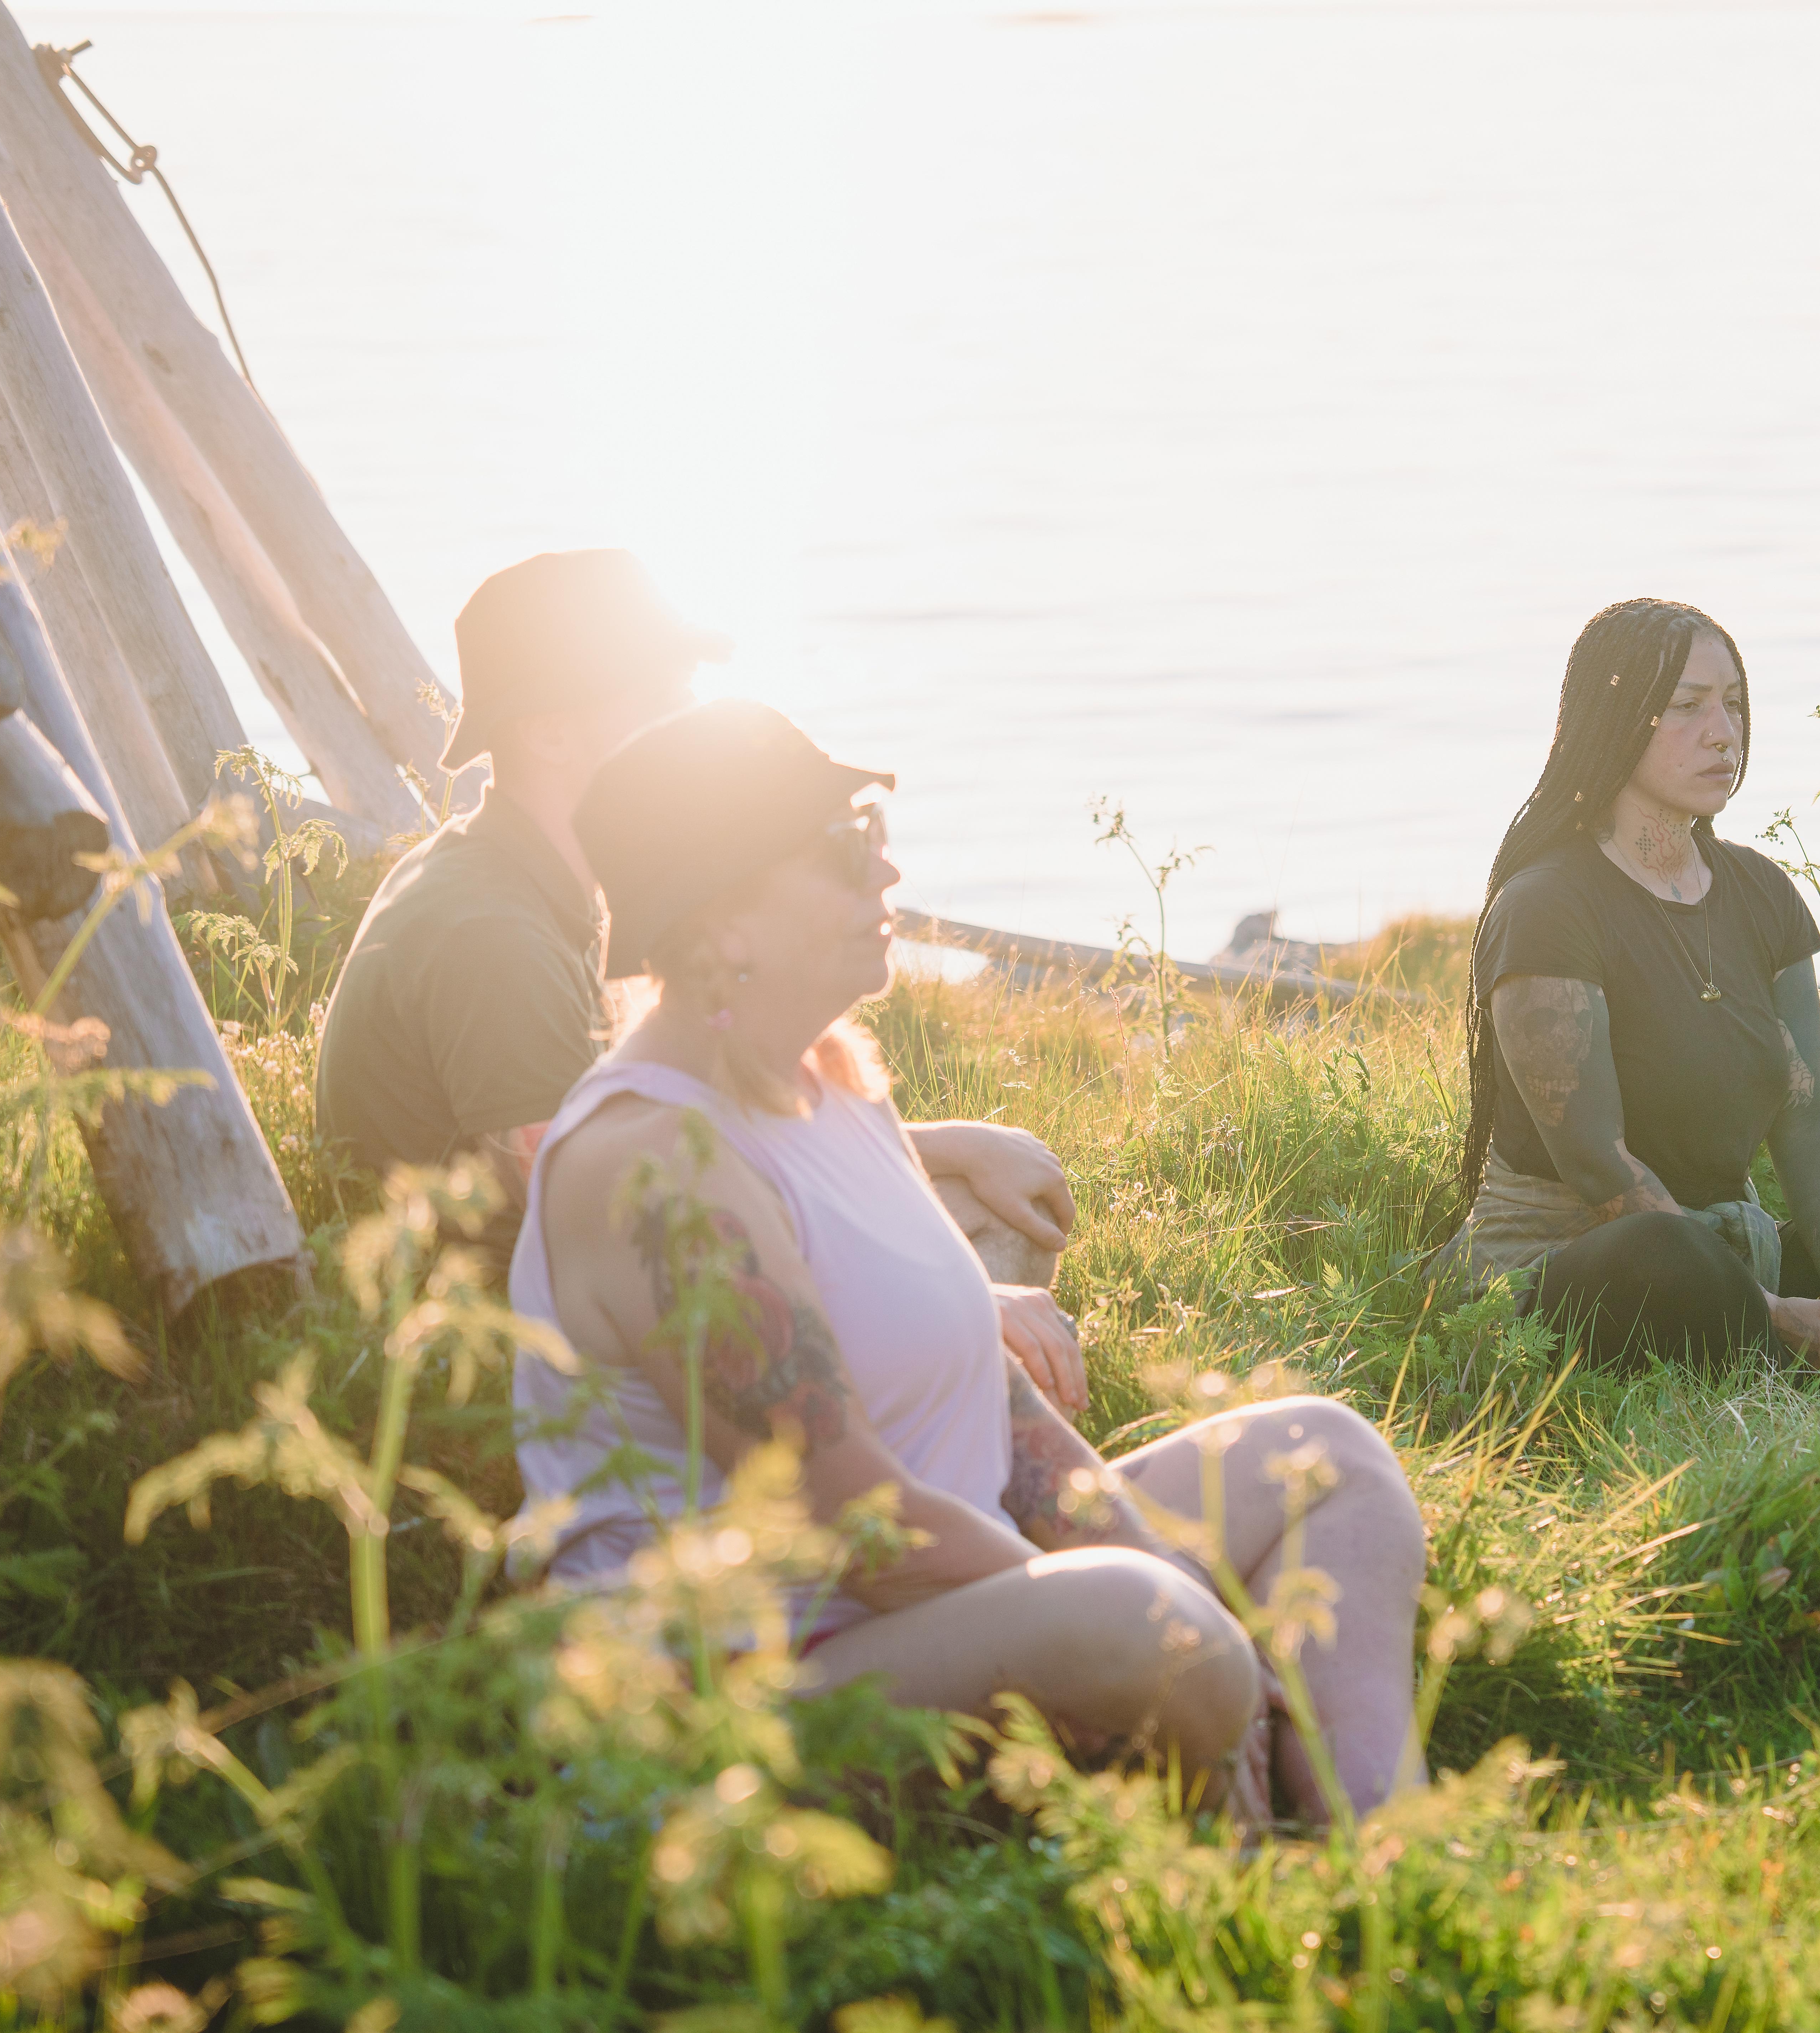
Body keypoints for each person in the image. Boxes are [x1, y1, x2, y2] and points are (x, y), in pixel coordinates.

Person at [511, 699, 1428, 1824]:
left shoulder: (825, 1074)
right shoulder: (656, 1164)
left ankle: (1380, 1836)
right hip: (752, 1701)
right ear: (720, 928)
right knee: (1143, 1626)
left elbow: (996, 1398)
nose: (887, 871)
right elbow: (866, 1533)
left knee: (1324, 1452)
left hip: (933, 1606)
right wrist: (1172, 1627)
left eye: (875, 827)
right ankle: (1235, 1845)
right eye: (846, 848)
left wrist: (1186, 1598)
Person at [311, 551, 1074, 1343]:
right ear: (548, 732)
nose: (689, 721)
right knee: (979, 1235)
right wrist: (949, 1298)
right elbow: (618, 1219)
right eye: (661, 697)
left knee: (966, 1199)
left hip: (598, 1260)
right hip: (532, 1334)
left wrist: (941, 1146)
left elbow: (665, 1138)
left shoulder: (540, 875)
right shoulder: (492, 935)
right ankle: (952, 1432)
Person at [1438, 596, 1820, 1373]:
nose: (1722, 731)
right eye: (1686, 706)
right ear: (1614, 716)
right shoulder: (1546, 905)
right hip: (1574, 1266)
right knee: (1667, 1253)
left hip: (1733, 1252)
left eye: (1733, 703)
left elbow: (1809, 1123)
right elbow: (1596, 1161)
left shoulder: (1762, 893)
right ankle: (1766, 1343)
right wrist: (1763, 1309)